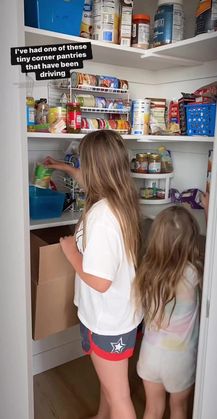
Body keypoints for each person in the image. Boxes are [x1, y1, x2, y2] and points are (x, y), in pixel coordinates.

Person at [44, 129, 142, 419]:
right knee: (109, 384)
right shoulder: (119, 199)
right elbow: (84, 179)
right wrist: (62, 168)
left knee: (120, 396)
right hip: (112, 314)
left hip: (108, 321)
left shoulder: (101, 217)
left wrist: (69, 251)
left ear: (96, 170)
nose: (80, 169)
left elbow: (100, 281)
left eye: (82, 163)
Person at [134, 206, 203, 419]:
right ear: (190, 242)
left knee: (152, 409)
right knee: (179, 409)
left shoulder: (147, 270)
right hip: (179, 359)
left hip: (150, 354)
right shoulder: (193, 273)